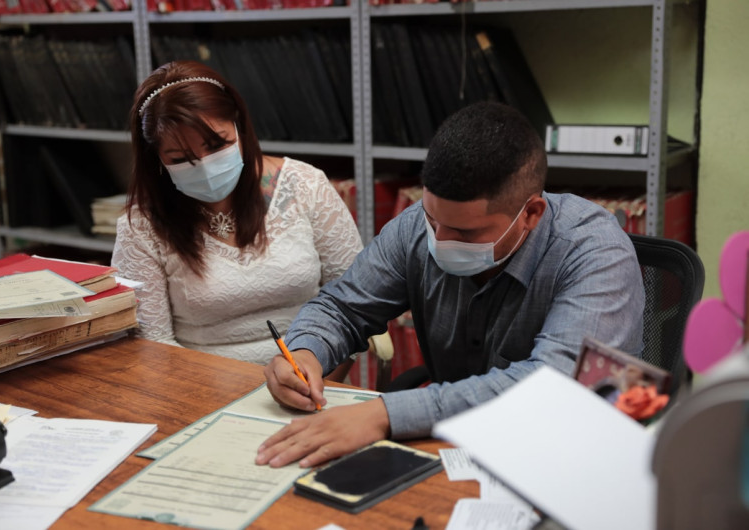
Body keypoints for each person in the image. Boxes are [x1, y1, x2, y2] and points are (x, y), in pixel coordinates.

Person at [255, 101, 645, 468]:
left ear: (530, 214)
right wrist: (306, 351)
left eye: (463, 231)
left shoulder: (596, 252)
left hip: (569, 456)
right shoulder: (417, 227)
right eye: (432, 219)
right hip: (455, 445)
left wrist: (385, 414)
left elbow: (553, 389)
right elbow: (342, 308)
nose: (439, 240)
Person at [111, 60, 363, 368]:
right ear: (158, 161)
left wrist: (322, 381)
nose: (204, 165)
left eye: (218, 144)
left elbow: (352, 304)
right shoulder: (142, 227)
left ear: (239, 126)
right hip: (201, 392)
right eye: (180, 158)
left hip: (315, 376)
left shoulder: (306, 185)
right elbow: (153, 347)